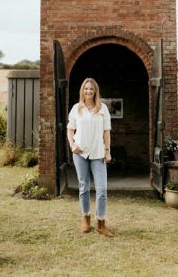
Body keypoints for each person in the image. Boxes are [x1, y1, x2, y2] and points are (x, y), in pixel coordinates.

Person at [67, 77, 113, 237]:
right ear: (82, 91)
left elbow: (106, 131)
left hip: (98, 153)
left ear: (95, 91)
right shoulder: (76, 108)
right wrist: (72, 145)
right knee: (83, 187)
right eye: (86, 88)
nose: (88, 91)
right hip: (80, 153)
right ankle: (86, 220)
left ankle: (101, 223)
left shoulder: (103, 109)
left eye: (91, 89)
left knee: (102, 190)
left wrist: (107, 151)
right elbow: (70, 130)